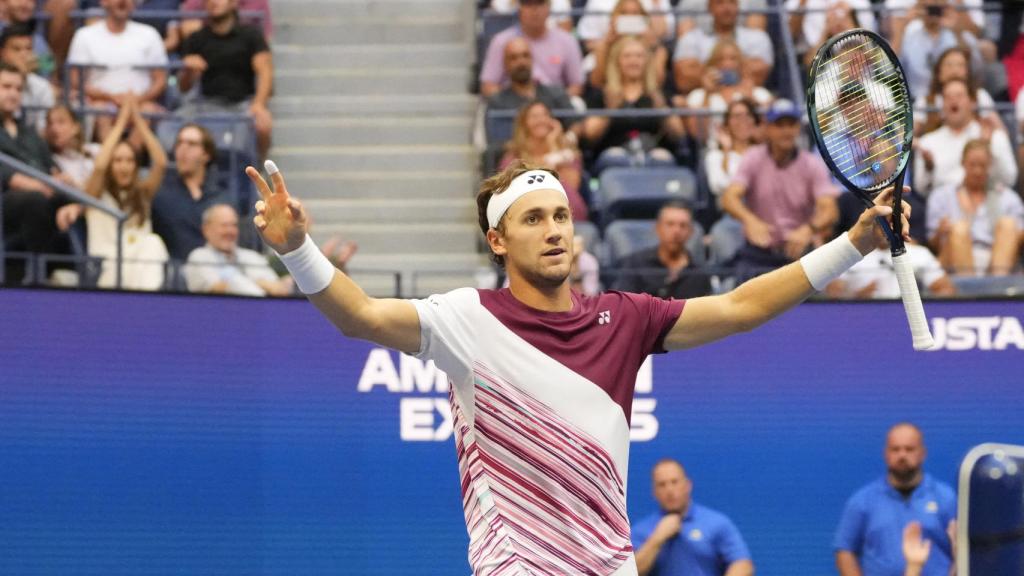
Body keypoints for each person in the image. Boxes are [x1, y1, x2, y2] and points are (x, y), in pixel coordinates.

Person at [246, 141, 910, 573]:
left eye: (560, 216)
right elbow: (358, 315)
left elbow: (740, 308)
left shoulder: (626, 318)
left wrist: (850, 244)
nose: (555, 230)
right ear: (498, 241)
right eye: (533, 219)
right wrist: (297, 249)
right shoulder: (464, 320)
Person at [54, 96, 169, 290]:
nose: (123, 166)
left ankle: (149, 303)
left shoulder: (142, 193)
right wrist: (122, 121)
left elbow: (160, 163)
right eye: (117, 160)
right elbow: (99, 166)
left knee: (153, 243)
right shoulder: (95, 193)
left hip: (140, 263)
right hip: (108, 265)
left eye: (129, 160)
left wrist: (138, 119)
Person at [721, 99, 839, 280]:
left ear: (798, 128)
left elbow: (829, 209)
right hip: (758, 253)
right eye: (779, 125)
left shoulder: (811, 164)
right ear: (768, 128)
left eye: (791, 125)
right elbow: (729, 198)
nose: (786, 131)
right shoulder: (753, 158)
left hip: (796, 252)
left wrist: (808, 229)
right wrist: (750, 220)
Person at [835, 423, 957, 576]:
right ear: (886, 454)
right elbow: (845, 550)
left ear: (923, 453)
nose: (902, 455)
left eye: (909, 449)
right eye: (896, 449)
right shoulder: (862, 501)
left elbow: (961, 551)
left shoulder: (947, 498)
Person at [0, 62, 74, 284]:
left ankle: (75, 270)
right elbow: (7, 176)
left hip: (42, 196)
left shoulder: (29, 133)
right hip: (7, 201)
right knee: (35, 200)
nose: (13, 94)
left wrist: (70, 198)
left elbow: (53, 170)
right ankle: (40, 274)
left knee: (71, 201)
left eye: (18, 89)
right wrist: (42, 185)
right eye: (6, 87)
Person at [179, 0, 274, 160]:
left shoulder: (251, 35)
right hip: (204, 104)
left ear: (234, 3)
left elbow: (265, 71)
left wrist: (258, 104)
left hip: (242, 104)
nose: (213, 2)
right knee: (169, 125)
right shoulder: (196, 39)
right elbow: (184, 87)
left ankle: (258, 170)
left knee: (263, 124)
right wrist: (189, 71)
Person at [66, 0, 169, 141]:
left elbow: (160, 79)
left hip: (139, 103)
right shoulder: (84, 35)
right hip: (99, 102)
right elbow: (75, 80)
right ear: (103, 2)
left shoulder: (149, 34)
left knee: (147, 111)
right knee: (102, 110)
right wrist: (109, 97)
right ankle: (110, 160)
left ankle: (132, 158)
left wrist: (138, 99)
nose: (122, 1)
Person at [631, 459, 754, 576]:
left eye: (674, 482)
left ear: (688, 485)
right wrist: (657, 539)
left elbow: (743, 565)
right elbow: (629, 573)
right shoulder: (640, 531)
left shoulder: (716, 523)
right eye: (662, 485)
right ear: (654, 492)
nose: (669, 490)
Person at [581, 35, 685, 173]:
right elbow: (589, 135)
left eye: (639, 56)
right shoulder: (603, 94)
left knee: (661, 160)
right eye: (627, 56)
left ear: (647, 61)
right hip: (614, 154)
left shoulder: (658, 94)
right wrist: (609, 111)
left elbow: (679, 134)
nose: (633, 61)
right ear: (617, 61)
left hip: (653, 152)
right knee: (616, 159)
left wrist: (661, 109)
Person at [926, 139, 1024, 276]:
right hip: (955, 259)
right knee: (959, 228)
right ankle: (969, 291)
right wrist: (940, 232)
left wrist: (1013, 232)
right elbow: (933, 243)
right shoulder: (941, 196)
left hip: (999, 260)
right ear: (963, 163)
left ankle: (997, 288)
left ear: (990, 165)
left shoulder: (1008, 198)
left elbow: (1019, 239)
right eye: (972, 165)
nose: (977, 171)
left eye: (983, 165)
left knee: (1008, 224)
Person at [914, 78, 1017, 197]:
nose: (953, 100)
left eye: (959, 95)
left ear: (972, 102)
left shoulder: (994, 136)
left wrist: (990, 150)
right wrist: (929, 168)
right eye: (947, 97)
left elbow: (1010, 179)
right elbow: (921, 189)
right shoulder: (927, 142)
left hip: (987, 204)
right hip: (945, 206)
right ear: (941, 105)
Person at [152, 122, 235, 261]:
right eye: (179, 143)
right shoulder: (160, 195)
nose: (183, 149)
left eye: (191, 144)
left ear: (206, 154)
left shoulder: (221, 198)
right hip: (176, 274)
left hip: (217, 270)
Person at [499, 100, 587, 220]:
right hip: (532, 220)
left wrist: (554, 148)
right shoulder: (513, 158)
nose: (541, 120)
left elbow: (570, 188)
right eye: (534, 116)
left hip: (572, 217)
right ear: (524, 123)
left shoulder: (567, 154)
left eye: (545, 115)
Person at [479, 0, 584, 98]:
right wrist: (511, 102)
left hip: (554, 108)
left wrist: (554, 103)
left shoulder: (567, 41)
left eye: (540, 3)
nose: (534, 10)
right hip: (513, 109)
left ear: (549, 7)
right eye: (528, 4)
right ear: (519, 9)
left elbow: (577, 85)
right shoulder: (501, 41)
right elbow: (488, 85)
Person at [185, 203, 292, 296]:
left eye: (234, 225)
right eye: (224, 225)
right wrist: (261, 284)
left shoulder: (252, 257)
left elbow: (278, 290)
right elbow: (216, 288)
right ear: (206, 229)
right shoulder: (199, 256)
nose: (230, 231)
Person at [613, 202, 712, 299]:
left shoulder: (700, 273)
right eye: (670, 224)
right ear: (658, 228)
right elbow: (623, 306)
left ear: (691, 232)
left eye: (683, 225)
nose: (676, 231)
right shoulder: (635, 264)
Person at [672, 0, 773, 95]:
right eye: (720, 2)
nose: (727, 8)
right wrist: (738, 69)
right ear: (709, 7)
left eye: (732, 2)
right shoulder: (691, 38)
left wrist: (708, 72)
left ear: (738, 5)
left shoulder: (757, 37)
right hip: (703, 104)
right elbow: (683, 77)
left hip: (746, 99)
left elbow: (759, 72)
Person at [683, 38, 772, 144]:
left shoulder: (760, 94)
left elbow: (766, 134)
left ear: (741, 63)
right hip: (715, 153)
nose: (727, 64)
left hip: (752, 152)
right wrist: (707, 94)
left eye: (733, 59)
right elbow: (699, 135)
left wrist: (750, 97)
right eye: (720, 59)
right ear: (712, 64)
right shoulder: (697, 96)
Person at [891, 0, 981, 99]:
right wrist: (902, 28)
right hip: (916, 102)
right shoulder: (908, 34)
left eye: (937, 7)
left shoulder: (958, 34)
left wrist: (957, 30)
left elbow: (976, 69)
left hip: (952, 99)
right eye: (928, 7)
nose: (933, 12)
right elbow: (889, 72)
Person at [914, 46, 999, 136]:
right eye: (949, 65)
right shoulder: (926, 101)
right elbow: (906, 137)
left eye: (960, 65)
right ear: (939, 72)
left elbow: (999, 132)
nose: (955, 70)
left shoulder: (980, 96)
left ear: (967, 72)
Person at [584, 0, 670, 89]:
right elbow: (597, 82)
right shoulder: (603, 47)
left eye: (635, 13)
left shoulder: (658, 50)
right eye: (624, 13)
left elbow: (658, 83)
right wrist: (607, 42)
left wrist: (653, 44)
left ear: (644, 17)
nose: (630, 18)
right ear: (614, 17)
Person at [827, 242, 956, 298]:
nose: (885, 228)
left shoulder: (920, 254)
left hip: (909, 316)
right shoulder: (850, 255)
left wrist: (919, 299)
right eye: (880, 221)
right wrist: (858, 297)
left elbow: (946, 290)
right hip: (863, 318)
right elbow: (832, 295)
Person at [486, 37, 574, 119]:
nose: (521, 62)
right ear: (505, 64)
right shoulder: (497, 103)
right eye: (513, 58)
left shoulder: (556, 94)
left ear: (532, 59)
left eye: (525, 56)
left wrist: (569, 135)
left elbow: (576, 124)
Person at [704, 98, 760, 203]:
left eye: (748, 115)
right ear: (727, 124)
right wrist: (726, 151)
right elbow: (719, 185)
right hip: (730, 212)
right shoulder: (715, 155)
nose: (743, 121)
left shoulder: (763, 153)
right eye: (737, 116)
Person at [0, 24, 55, 133]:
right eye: (17, 49)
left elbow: (44, 130)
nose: (24, 54)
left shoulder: (42, 87)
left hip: (29, 146)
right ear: (2, 52)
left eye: (28, 48)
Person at [46, 105, 99, 190]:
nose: (54, 128)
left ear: (75, 127)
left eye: (61, 122)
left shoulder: (95, 149)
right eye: (50, 123)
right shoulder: (51, 161)